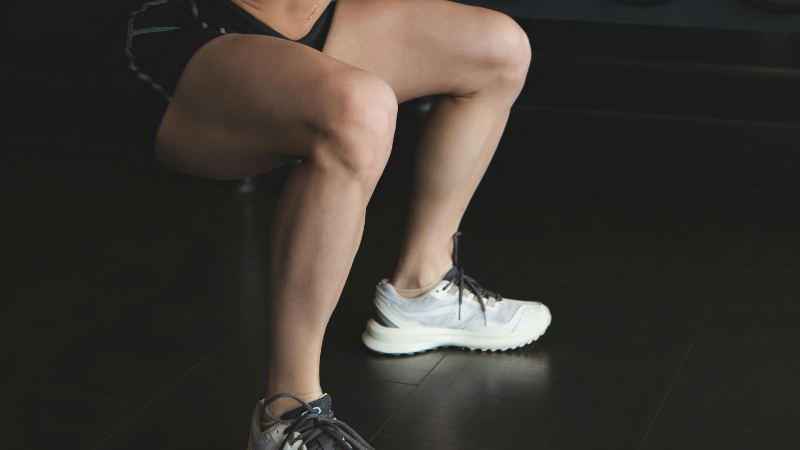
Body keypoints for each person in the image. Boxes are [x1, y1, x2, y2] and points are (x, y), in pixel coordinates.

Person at [123, 0, 551, 448]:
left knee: (498, 48)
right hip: (192, 31)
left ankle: (421, 285)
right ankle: (287, 411)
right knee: (358, 110)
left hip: (316, 18)